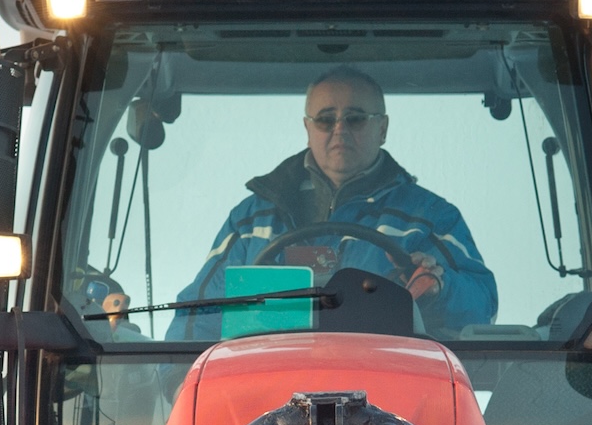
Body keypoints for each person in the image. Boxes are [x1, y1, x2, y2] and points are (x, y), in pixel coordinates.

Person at [168, 67, 496, 339]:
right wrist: (176, 380)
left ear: (382, 128)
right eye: (326, 119)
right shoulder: (252, 220)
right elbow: (200, 313)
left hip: (388, 389)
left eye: (355, 118)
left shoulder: (430, 218)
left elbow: (482, 304)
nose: (339, 130)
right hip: (266, 390)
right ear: (307, 128)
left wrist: (440, 288)